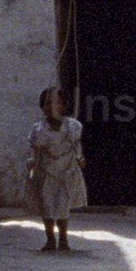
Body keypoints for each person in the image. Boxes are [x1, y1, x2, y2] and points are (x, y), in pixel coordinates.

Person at [26, 86, 87, 253]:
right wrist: (31, 159)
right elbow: (33, 147)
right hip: (46, 171)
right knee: (46, 205)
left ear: (63, 105)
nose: (50, 107)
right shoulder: (38, 129)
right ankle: (50, 239)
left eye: (54, 103)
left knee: (62, 205)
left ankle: (64, 239)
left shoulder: (72, 126)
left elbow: (77, 145)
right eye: (46, 103)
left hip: (67, 170)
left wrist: (80, 157)